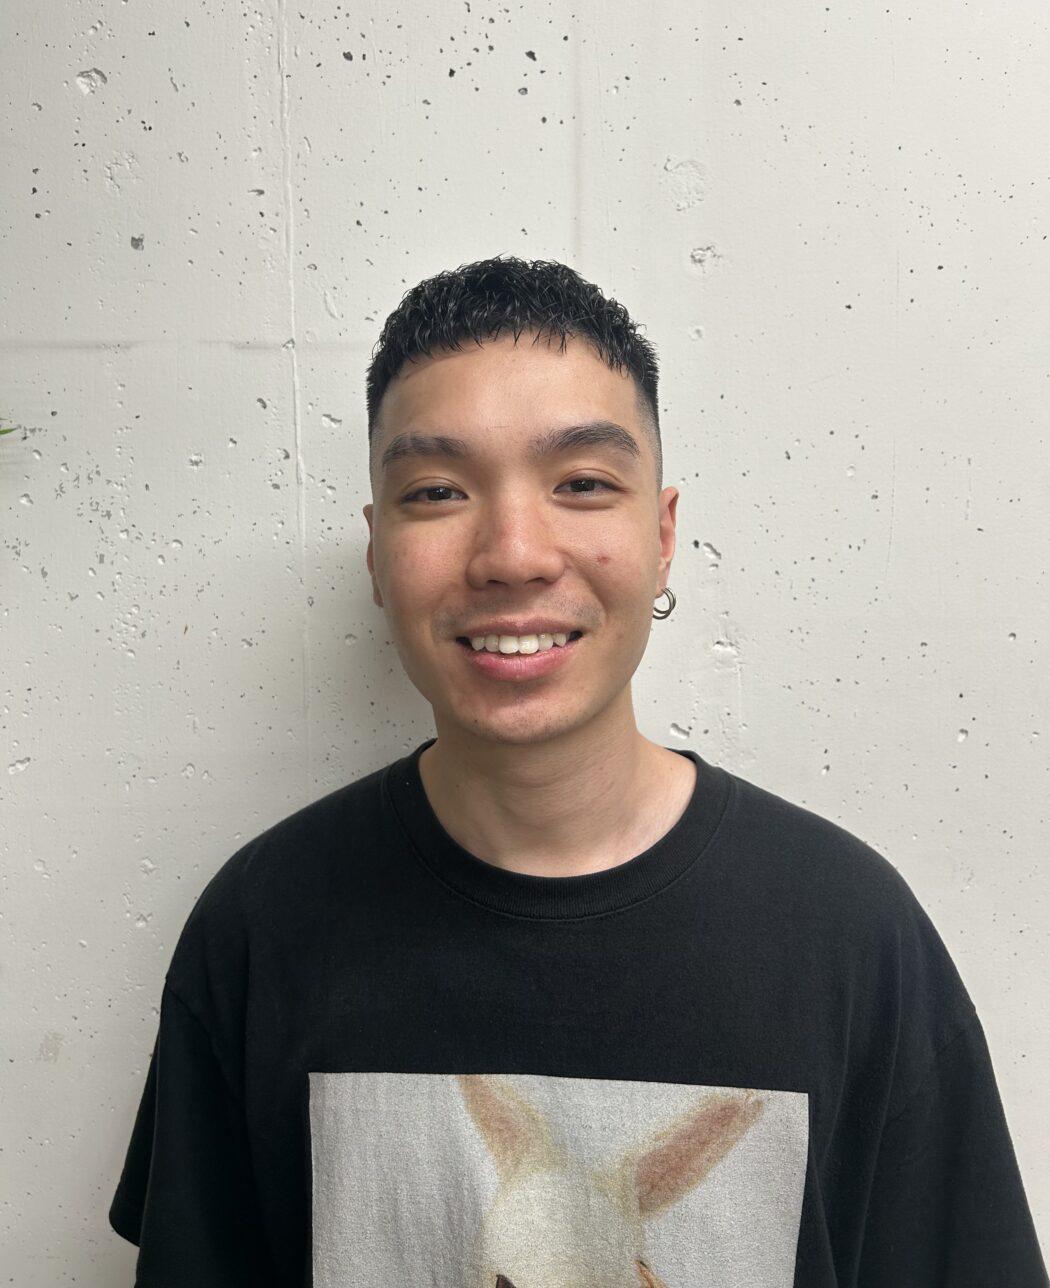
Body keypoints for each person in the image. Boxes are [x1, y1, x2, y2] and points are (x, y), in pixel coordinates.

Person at [108, 256, 1047, 1286]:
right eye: (437, 491)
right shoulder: (262, 924)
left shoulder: (851, 936)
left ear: (662, 534)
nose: (514, 552)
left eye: (583, 484)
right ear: (378, 553)